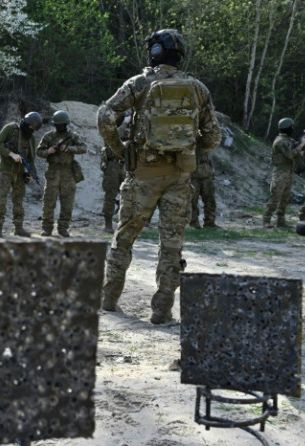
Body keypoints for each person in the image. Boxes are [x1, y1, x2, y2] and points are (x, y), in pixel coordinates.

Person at [97, 28, 221, 324]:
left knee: (124, 238)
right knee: (171, 245)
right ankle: (161, 310)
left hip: (142, 174)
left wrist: (120, 149)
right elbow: (214, 136)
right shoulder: (198, 88)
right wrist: (192, 149)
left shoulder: (139, 83)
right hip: (180, 177)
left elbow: (105, 116)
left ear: (154, 52)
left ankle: (110, 300)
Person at [0, 111, 43, 238]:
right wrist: (11, 154)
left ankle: (18, 228)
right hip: (6, 170)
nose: (31, 130)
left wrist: (31, 173)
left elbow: (31, 159)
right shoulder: (10, 128)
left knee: (18, 202)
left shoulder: (31, 138)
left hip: (20, 173)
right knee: (1, 200)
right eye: (30, 127)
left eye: (33, 128)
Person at [36, 110, 87, 237]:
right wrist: (49, 151)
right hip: (52, 171)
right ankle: (47, 228)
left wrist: (68, 149)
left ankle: (63, 228)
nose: (60, 127)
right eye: (58, 124)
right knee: (49, 201)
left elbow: (84, 148)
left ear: (66, 124)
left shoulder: (73, 136)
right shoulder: (49, 136)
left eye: (62, 124)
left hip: (68, 172)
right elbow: (39, 151)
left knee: (67, 202)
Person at [262, 117, 305, 228]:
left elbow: (299, 151)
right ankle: (266, 221)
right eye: (291, 127)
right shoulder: (280, 141)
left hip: (288, 172)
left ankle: (280, 221)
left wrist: (304, 141)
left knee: (285, 199)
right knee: (275, 197)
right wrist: (301, 145)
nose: (293, 129)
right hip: (280, 172)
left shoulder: (289, 140)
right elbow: (290, 154)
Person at [100, 112, 130, 233]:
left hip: (126, 165)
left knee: (128, 196)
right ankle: (108, 225)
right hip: (112, 166)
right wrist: (125, 123)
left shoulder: (126, 129)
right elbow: (116, 137)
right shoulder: (109, 129)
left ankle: (125, 223)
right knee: (110, 196)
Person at [189, 150, 218, 228]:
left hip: (206, 173)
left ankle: (210, 222)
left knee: (210, 200)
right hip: (192, 175)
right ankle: (193, 223)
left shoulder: (204, 141)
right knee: (192, 201)